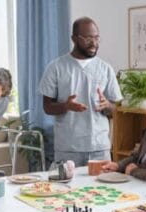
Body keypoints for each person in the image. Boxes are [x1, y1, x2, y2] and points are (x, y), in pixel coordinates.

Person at [39, 17, 123, 166]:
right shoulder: (56, 68)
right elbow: (47, 107)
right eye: (88, 38)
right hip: (68, 149)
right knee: (66, 189)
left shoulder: (106, 69)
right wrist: (65, 106)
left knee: (101, 189)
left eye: (97, 37)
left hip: (99, 149)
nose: (94, 43)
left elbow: (115, 109)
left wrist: (107, 106)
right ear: (74, 38)